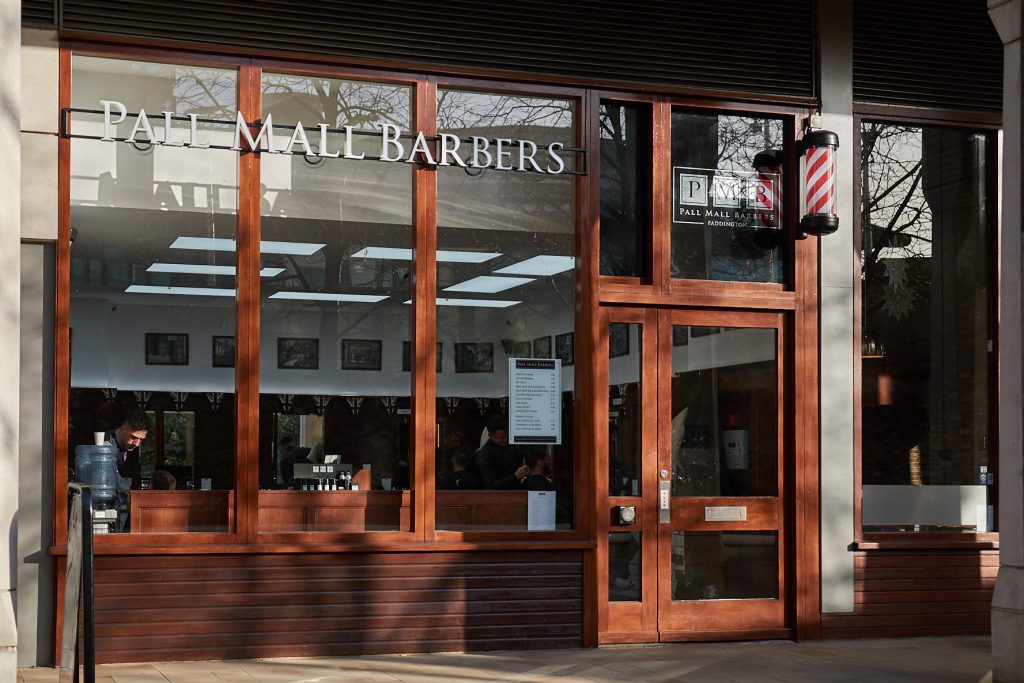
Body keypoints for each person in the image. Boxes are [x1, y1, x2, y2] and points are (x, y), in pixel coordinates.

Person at [473, 415, 528, 490]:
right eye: (501, 438)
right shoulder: (485, 454)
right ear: (490, 435)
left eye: (506, 436)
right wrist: (515, 476)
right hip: (497, 494)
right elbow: (490, 485)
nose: (505, 440)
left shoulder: (512, 444)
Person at [105, 409, 149, 494]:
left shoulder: (130, 445)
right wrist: (127, 493)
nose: (137, 444)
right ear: (123, 429)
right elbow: (109, 471)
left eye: (141, 439)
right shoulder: (106, 444)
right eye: (133, 437)